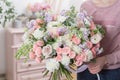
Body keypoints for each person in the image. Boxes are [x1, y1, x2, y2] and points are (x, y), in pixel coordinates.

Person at [77, 0, 120, 80]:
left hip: (113, 72)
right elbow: (79, 39)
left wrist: (106, 59)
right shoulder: (85, 6)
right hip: (86, 70)